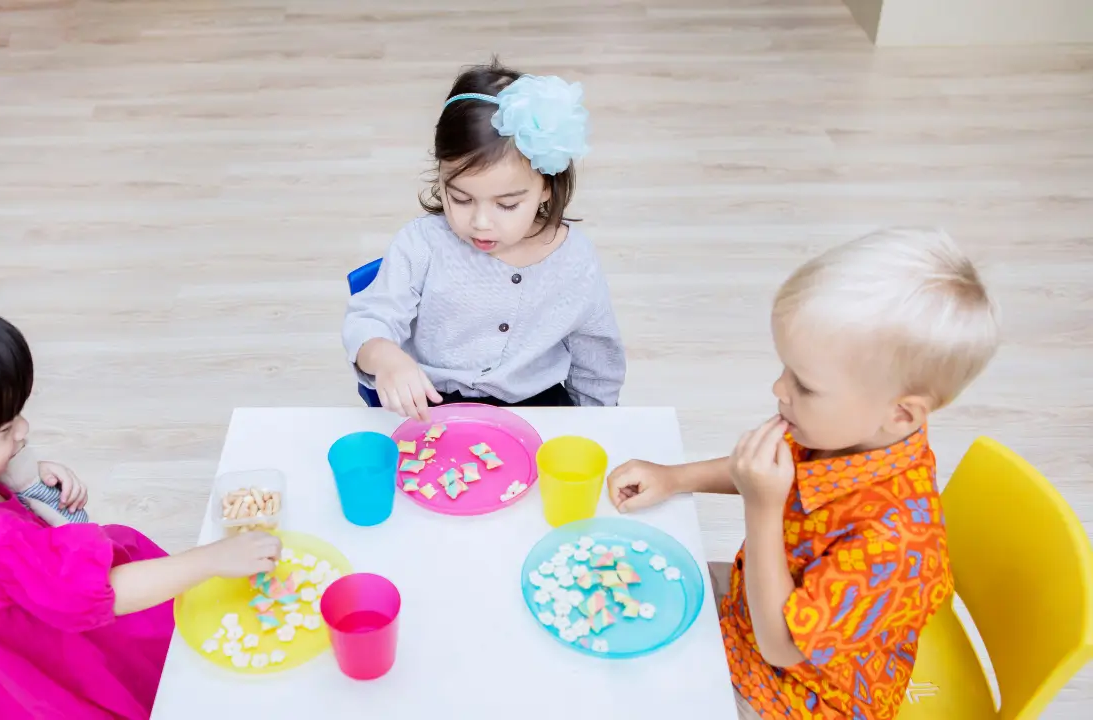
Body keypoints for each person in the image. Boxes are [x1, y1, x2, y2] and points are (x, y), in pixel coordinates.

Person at [0, 282, 282, 719]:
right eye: (3, 430)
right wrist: (211, 559)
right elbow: (103, 593)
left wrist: (20, 477)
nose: (22, 431)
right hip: (59, 680)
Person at [606, 228, 1000, 719]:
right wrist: (675, 477)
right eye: (785, 368)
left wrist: (762, 507)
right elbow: (765, 472)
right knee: (624, 587)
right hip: (756, 607)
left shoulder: (896, 543)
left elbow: (782, 647)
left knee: (626, 689)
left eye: (805, 385)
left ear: (900, 414)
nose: (778, 387)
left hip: (798, 695)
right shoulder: (841, 432)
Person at [342, 60, 626, 421]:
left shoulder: (575, 260)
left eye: (507, 204)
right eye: (460, 199)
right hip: (436, 403)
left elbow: (597, 361)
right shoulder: (421, 244)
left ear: (547, 189)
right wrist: (385, 356)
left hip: (538, 406)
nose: (480, 222)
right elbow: (371, 318)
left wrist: (601, 425)